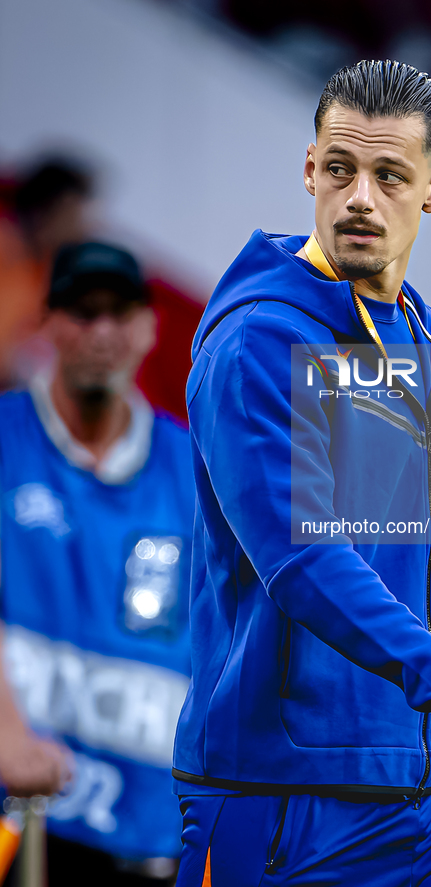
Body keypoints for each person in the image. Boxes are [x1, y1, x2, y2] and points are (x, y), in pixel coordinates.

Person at [173, 60, 431, 886]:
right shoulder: (256, 342)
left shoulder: (419, 327)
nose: (358, 199)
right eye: (340, 170)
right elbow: (301, 557)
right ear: (310, 169)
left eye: (390, 176)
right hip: (281, 800)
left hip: (420, 795)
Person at [0, 242, 194, 885]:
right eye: (84, 312)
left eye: (120, 312)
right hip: (14, 821)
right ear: (48, 321)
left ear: (149, 327)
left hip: (145, 837)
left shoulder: (199, 476)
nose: (102, 331)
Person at [0, 158, 93, 387]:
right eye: (71, 217)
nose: (81, 230)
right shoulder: (8, 257)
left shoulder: (48, 268)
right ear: (41, 214)